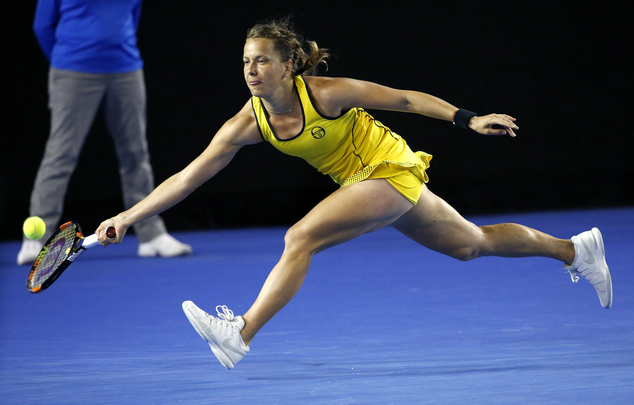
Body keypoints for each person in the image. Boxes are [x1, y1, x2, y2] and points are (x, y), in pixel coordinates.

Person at [96, 19, 612, 370]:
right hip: (365, 185)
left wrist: (468, 118)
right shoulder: (245, 124)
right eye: (246, 62)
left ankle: (241, 334)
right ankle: (576, 250)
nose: (251, 70)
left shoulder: (326, 93)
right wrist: (129, 214)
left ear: (288, 66)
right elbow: (186, 179)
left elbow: (405, 98)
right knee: (471, 244)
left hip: (389, 169)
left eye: (261, 61)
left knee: (301, 237)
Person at [18, 0, 192, 265]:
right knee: (60, 155)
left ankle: (151, 235)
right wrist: (67, 58)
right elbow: (42, 26)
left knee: (136, 154)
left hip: (126, 70)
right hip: (73, 71)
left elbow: (131, 17)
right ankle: (36, 240)